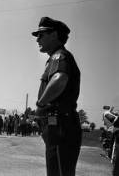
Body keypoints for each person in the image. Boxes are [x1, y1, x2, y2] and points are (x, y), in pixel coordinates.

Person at [32, 17, 82, 176]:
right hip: (59, 126)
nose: (37, 39)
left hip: (60, 126)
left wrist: (40, 105)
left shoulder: (59, 56)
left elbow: (60, 79)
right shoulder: (55, 57)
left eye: (41, 35)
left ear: (54, 35)